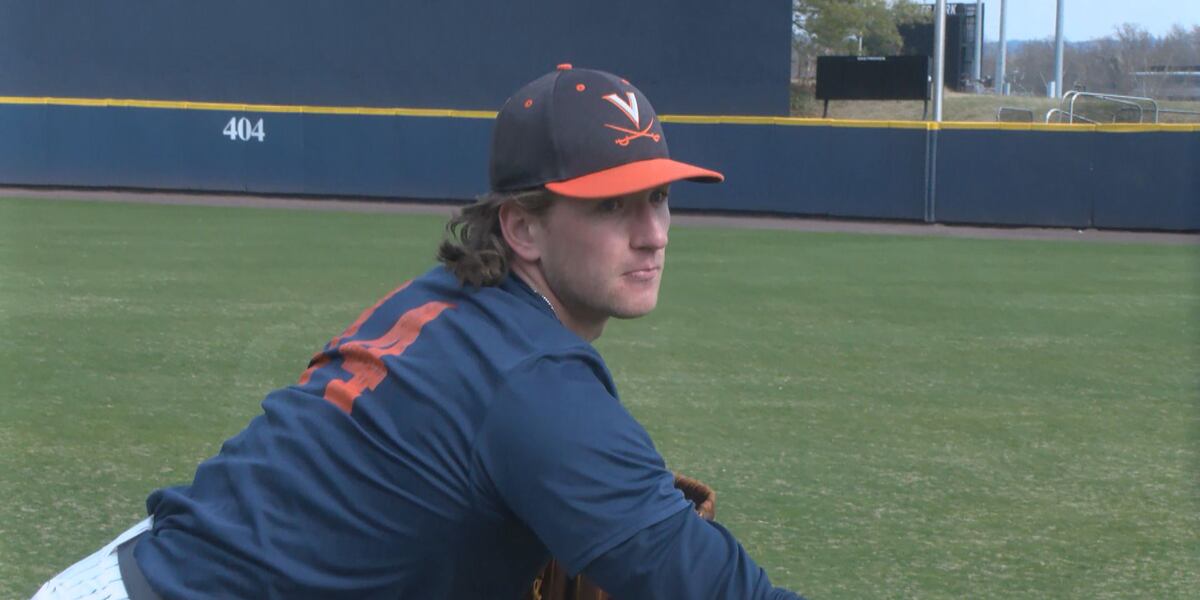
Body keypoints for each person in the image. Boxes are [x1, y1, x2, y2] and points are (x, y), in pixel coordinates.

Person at [34, 64, 803, 600]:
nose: (653, 233)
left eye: (660, 198)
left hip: (141, 571)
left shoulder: (444, 302)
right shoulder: (532, 385)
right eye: (611, 207)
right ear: (523, 228)